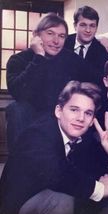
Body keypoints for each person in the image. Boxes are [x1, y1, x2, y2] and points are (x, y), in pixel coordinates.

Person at [0, 81, 108, 214]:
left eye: (88, 113)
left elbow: (107, 177)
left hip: (69, 200)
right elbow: (57, 174)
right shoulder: (38, 133)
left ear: (91, 121)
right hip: (23, 203)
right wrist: (100, 190)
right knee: (61, 199)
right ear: (59, 111)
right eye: (74, 110)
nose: (81, 118)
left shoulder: (87, 137)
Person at [6, 13, 93, 151]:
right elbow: (19, 93)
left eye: (61, 36)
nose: (56, 41)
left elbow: (95, 84)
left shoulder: (73, 60)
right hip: (31, 118)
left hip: (60, 118)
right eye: (50, 33)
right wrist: (38, 57)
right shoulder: (18, 60)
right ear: (36, 35)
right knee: (16, 109)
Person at [64, 6, 108, 86]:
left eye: (92, 26)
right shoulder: (63, 43)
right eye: (83, 25)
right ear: (75, 26)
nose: (88, 30)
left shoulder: (103, 52)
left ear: (96, 28)